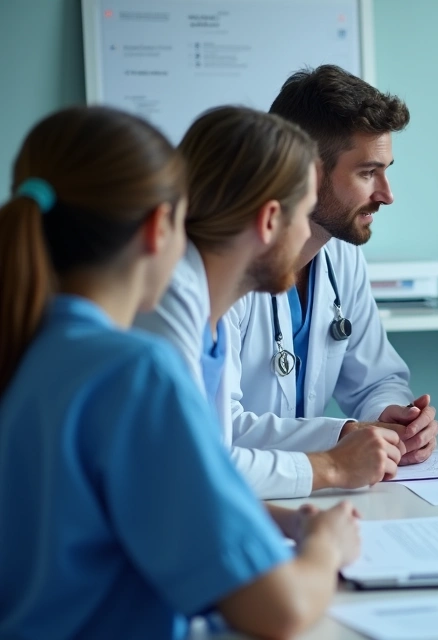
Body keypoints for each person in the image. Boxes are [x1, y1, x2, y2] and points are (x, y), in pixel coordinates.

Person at [0, 106, 359, 639]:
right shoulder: (135, 371)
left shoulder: (33, 343)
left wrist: (280, 521)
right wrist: (327, 545)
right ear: (158, 229)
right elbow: (279, 612)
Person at [135, 106, 407, 499]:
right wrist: (332, 464)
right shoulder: (174, 300)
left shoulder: (200, 292)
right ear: (269, 220)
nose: (309, 239)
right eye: (303, 212)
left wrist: (297, 527)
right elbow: (196, 471)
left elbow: (203, 462)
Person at [225, 65, 438, 485]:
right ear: (305, 170)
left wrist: (394, 421)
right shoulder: (226, 268)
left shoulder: (341, 255)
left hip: (302, 490)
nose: (387, 194)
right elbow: (216, 429)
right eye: (366, 172)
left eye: (386, 169)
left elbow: (377, 379)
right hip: (242, 494)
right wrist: (342, 435)